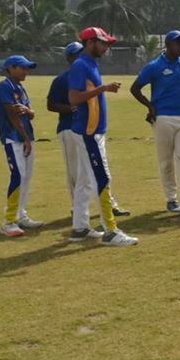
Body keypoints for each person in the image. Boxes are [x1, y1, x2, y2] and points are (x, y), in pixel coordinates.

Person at [68, 27, 138, 246]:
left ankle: (80, 227)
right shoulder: (81, 65)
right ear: (90, 43)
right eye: (103, 43)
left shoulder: (90, 63)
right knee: (102, 179)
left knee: (84, 182)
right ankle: (110, 231)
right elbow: (73, 98)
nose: (107, 47)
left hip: (92, 131)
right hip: (89, 133)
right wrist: (103, 88)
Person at [48, 41, 129, 219]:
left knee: (95, 171)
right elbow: (51, 104)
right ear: (69, 58)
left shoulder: (89, 72)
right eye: (76, 54)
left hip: (88, 128)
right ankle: (75, 207)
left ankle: (110, 203)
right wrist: (70, 108)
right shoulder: (62, 79)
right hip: (68, 129)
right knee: (75, 172)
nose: (80, 56)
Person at [131, 29, 180, 217]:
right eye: (178, 43)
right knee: (165, 162)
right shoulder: (154, 66)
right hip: (162, 118)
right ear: (168, 45)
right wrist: (149, 106)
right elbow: (135, 88)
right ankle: (171, 199)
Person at [0, 55, 43, 237]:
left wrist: (29, 111)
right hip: (13, 138)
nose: (25, 71)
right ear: (11, 68)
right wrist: (25, 138)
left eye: (27, 68)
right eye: (22, 68)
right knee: (18, 176)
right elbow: (12, 115)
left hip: (26, 137)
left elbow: (30, 114)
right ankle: (8, 221)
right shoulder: (4, 87)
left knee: (26, 177)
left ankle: (20, 214)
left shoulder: (20, 88)